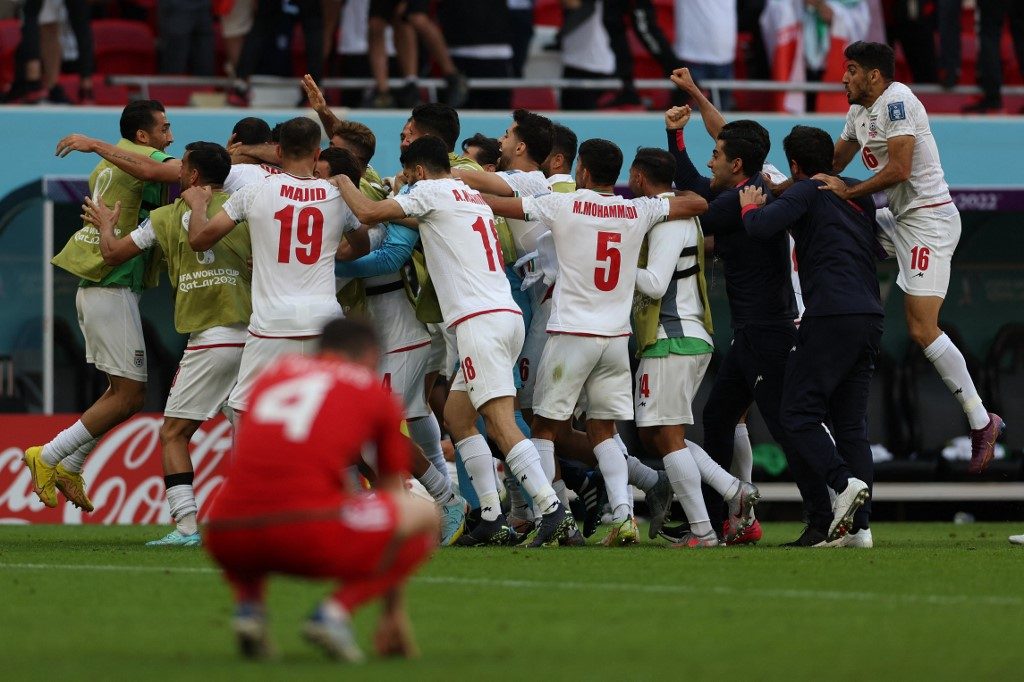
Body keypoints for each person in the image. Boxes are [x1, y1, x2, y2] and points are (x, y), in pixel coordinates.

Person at [332, 135, 579, 548]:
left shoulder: (428, 191)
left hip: (478, 320)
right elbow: (413, 221)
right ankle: (490, 515)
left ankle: (552, 510)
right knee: (460, 417)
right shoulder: (465, 192)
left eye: (409, 175)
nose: (407, 183)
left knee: (499, 421)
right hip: (501, 314)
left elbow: (369, 210)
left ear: (420, 171)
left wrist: (340, 179)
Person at [486, 138, 708, 546]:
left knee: (543, 428)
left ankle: (556, 519)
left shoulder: (564, 204)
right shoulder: (635, 208)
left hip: (572, 332)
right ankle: (624, 516)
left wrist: (462, 192)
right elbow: (697, 204)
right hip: (615, 338)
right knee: (603, 429)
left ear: (583, 172)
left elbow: (503, 206)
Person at [204, 317, 438, 662]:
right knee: (423, 513)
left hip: (225, 531)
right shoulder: (372, 390)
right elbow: (393, 495)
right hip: (307, 532)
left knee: (262, 503)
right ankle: (334, 613)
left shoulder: (274, 376)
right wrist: (393, 612)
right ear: (371, 354)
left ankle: (249, 608)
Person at [819, 41, 1005, 473]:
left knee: (922, 328)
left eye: (850, 70)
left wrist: (847, 189)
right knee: (832, 231)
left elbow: (900, 169)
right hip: (899, 219)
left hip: (928, 222)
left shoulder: (898, 100)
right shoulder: (858, 113)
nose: (843, 78)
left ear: (874, 75)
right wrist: (793, 180)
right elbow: (830, 161)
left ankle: (982, 420)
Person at [666, 68, 833, 547]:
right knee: (718, 418)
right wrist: (676, 133)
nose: (711, 158)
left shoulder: (747, 196)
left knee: (787, 426)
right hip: (751, 332)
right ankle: (724, 518)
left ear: (736, 164)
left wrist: (637, 208)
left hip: (770, 330)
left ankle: (823, 516)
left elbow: (698, 205)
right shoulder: (747, 187)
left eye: (718, 153)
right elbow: (698, 182)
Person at [83, 141, 251, 547]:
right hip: (258, 336)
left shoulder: (163, 218)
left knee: (174, 433)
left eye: (183, 168)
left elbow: (111, 254)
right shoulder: (249, 208)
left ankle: (187, 526)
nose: (177, 172)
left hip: (210, 339)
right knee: (248, 428)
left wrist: (106, 224)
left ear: (192, 176)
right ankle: (260, 519)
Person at [23, 100, 175, 512]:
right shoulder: (143, 157)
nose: (171, 137)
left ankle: (71, 463)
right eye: (164, 129)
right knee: (130, 396)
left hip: (100, 286)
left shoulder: (104, 167)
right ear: (143, 137)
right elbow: (179, 172)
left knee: (119, 391)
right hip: (111, 286)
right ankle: (50, 455)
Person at [740, 124, 882, 545]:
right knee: (852, 425)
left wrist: (751, 205)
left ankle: (842, 485)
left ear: (796, 165)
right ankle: (860, 529)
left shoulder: (805, 190)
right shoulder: (855, 191)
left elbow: (762, 227)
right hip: (870, 314)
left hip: (830, 314)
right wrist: (783, 188)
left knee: (798, 414)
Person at [628, 146, 760, 548]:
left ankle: (703, 529)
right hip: (672, 338)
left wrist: (611, 263)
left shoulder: (672, 221)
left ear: (637, 178)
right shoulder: (673, 213)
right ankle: (732, 489)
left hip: (676, 338)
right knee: (656, 436)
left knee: (666, 437)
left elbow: (654, 283)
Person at [183, 117, 361, 416]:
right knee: (331, 415)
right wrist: (329, 254)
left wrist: (198, 206)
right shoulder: (336, 195)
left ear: (278, 152)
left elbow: (200, 240)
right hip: (324, 321)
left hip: (272, 324)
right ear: (318, 154)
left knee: (245, 412)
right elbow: (361, 246)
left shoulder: (253, 192)